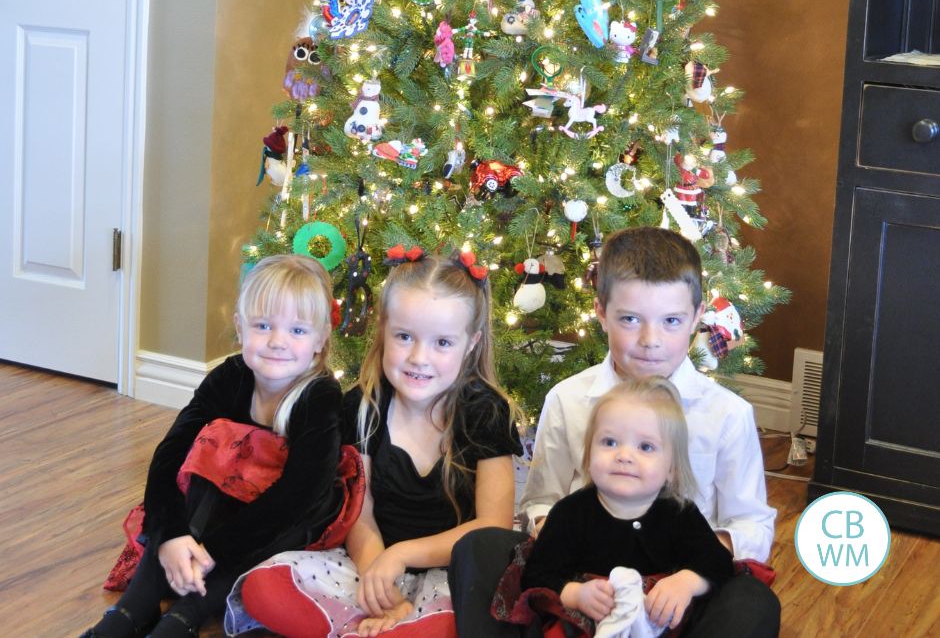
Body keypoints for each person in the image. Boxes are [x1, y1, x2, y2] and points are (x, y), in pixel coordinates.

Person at [450, 227, 780, 638]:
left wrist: (686, 574)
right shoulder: (568, 399)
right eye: (629, 319)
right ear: (601, 313)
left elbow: (752, 525)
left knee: (754, 603)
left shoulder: (728, 414)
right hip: (581, 588)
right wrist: (575, 572)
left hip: (679, 596)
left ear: (696, 319)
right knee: (479, 549)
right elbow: (540, 501)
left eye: (671, 321)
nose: (650, 340)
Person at [225, 249, 522, 638]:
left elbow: (492, 526)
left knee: (465, 618)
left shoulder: (485, 411)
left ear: (471, 343)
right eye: (404, 336)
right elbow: (359, 516)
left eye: (442, 343)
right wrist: (379, 579)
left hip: (452, 572)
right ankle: (377, 625)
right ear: (383, 330)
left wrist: (402, 556)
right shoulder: (362, 407)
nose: (419, 358)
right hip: (369, 561)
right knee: (263, 588)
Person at [82, 254, 345, 638]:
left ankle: (186, 616)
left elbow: (298, 497)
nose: (277, 342)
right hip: (212, 515)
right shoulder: (231, 376)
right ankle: (133, 608)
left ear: (321, 340)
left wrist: (209, 551)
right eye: (263, 325)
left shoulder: (319, 396)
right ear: (240, 328)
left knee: (293, 509)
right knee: (209, 446)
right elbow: (169, 454)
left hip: (279, 525)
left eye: (298, 331)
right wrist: (172, 535)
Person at [502, 378, 733, 636]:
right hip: (586, 625)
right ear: (589, 456)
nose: (624, 456)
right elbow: (538, 574)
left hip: (658, 624)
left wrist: (687, 582)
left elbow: (718, 561)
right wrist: (575, 594)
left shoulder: (678, 514)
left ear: (671, 468)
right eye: (609, 442)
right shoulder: (571, 513)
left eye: (645, 447)